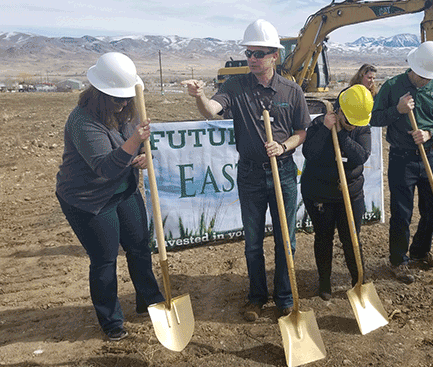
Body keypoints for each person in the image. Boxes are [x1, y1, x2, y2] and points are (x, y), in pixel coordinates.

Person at [182, 19, 311, 321]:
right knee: (253, 242)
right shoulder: (235, 86)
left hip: (283, 172)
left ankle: (285, 297)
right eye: (249, 52)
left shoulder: (291, 91)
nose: (252, 58)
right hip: (250, 174)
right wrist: (199, 96)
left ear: (274, 56)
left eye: (258, 53)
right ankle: (256, 297)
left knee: (286, 240)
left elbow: (302, 131)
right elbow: (211, 110)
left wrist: (284, 146)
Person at [55, 52, 165, 341]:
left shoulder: (127, 111)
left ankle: (150, 301)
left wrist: (141, 155)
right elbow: (104, 166)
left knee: (140, 245)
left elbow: (131, 149)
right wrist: (135, 142)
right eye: (118, 98)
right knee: (104, 259)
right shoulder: (82, 121)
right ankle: (112, 321)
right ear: (100, 94)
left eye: (128, 96)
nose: (125, 103)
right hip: (89, 199)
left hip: (123, 189)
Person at [370, 41, 433, 283]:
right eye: (423, 76)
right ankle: (398, 261)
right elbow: (374, 119)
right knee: (402, 214)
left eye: (431, 77)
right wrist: (397, 109)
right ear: (414, 67)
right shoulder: (393, 86)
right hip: (401, 159)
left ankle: (419, 251)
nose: (427, 81)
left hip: (428, 155)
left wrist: (431, 133)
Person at [301, 84, 373, 300]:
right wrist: (325, 129)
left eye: (355, 124)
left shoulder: (361, 126)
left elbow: (361, 156)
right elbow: (310, 154)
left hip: (351, 194)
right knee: (323, 238)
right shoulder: (318, 124)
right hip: (320, 193)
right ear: (340, 111)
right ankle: (324, 282)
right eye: (348, 121)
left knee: (352, 238)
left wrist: (342, 136)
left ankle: (358, 281)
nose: (352, 126)